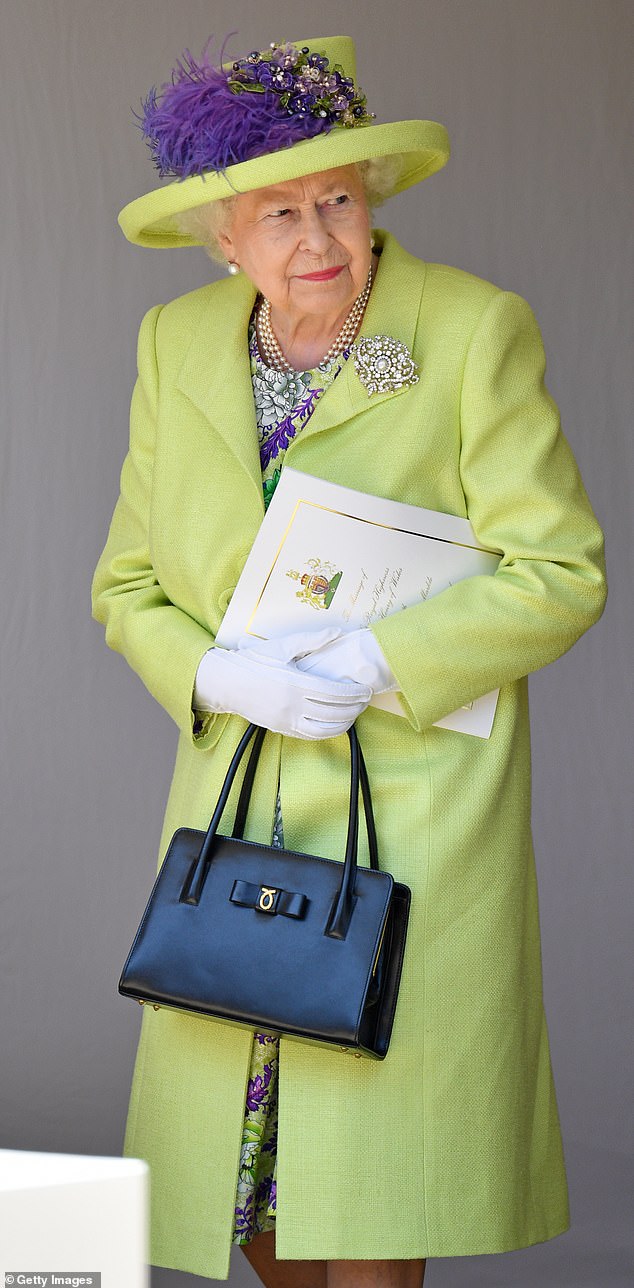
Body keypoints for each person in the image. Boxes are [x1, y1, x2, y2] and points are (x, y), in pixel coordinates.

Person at [91, 33, 607, 1288]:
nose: (316, 236)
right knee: (247, 1182)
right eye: (278, 212)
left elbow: (561, 571)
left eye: (337, 198)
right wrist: (220, 678)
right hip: (237, 811)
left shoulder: (469, 329)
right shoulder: (178, 346)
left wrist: (378, 654)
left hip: (415, 812)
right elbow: (129, 584)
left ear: (372, 197)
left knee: (376, 1186)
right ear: (223, 237)